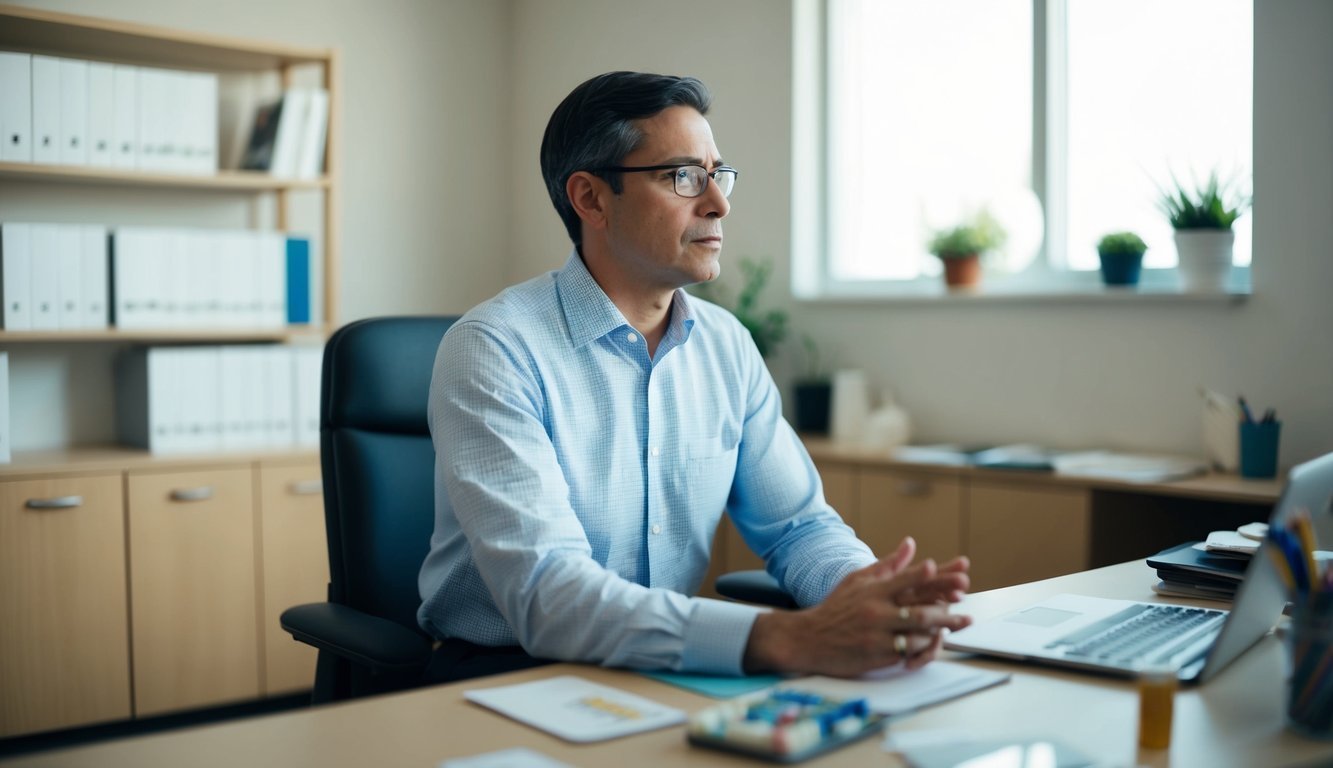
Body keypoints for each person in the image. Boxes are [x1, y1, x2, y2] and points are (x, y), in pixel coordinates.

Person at [417, 71, 971, 683]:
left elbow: (799, 528)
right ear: (591, 199)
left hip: (662, 665)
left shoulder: (726, 346)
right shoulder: (495, 349)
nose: (718, 203)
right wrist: (787, 638)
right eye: (683, 177)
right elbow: (548, 594)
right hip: (506, 674)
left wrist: (870, 597)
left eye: (717, 174)